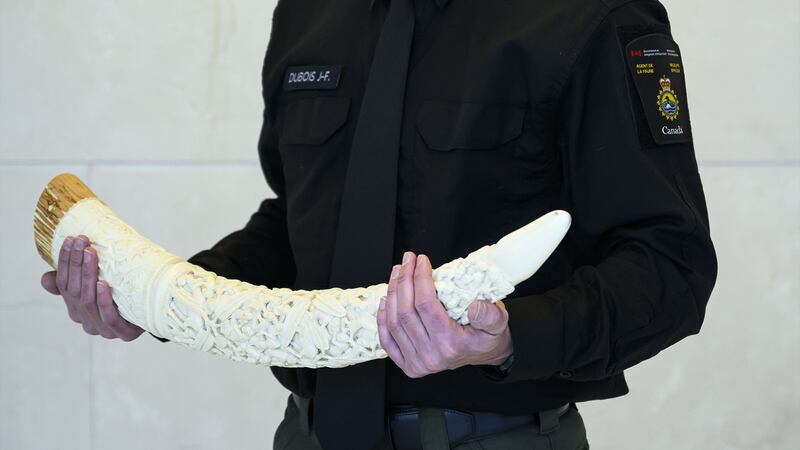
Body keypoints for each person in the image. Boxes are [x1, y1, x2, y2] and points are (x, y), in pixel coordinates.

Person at [40, 0, 718, 449]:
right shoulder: (308, 12)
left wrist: (507, 339)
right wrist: (156, 300)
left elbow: (671, 265)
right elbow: (297, 221)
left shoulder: (592, 15)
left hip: (495, 440)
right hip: (308, 436)